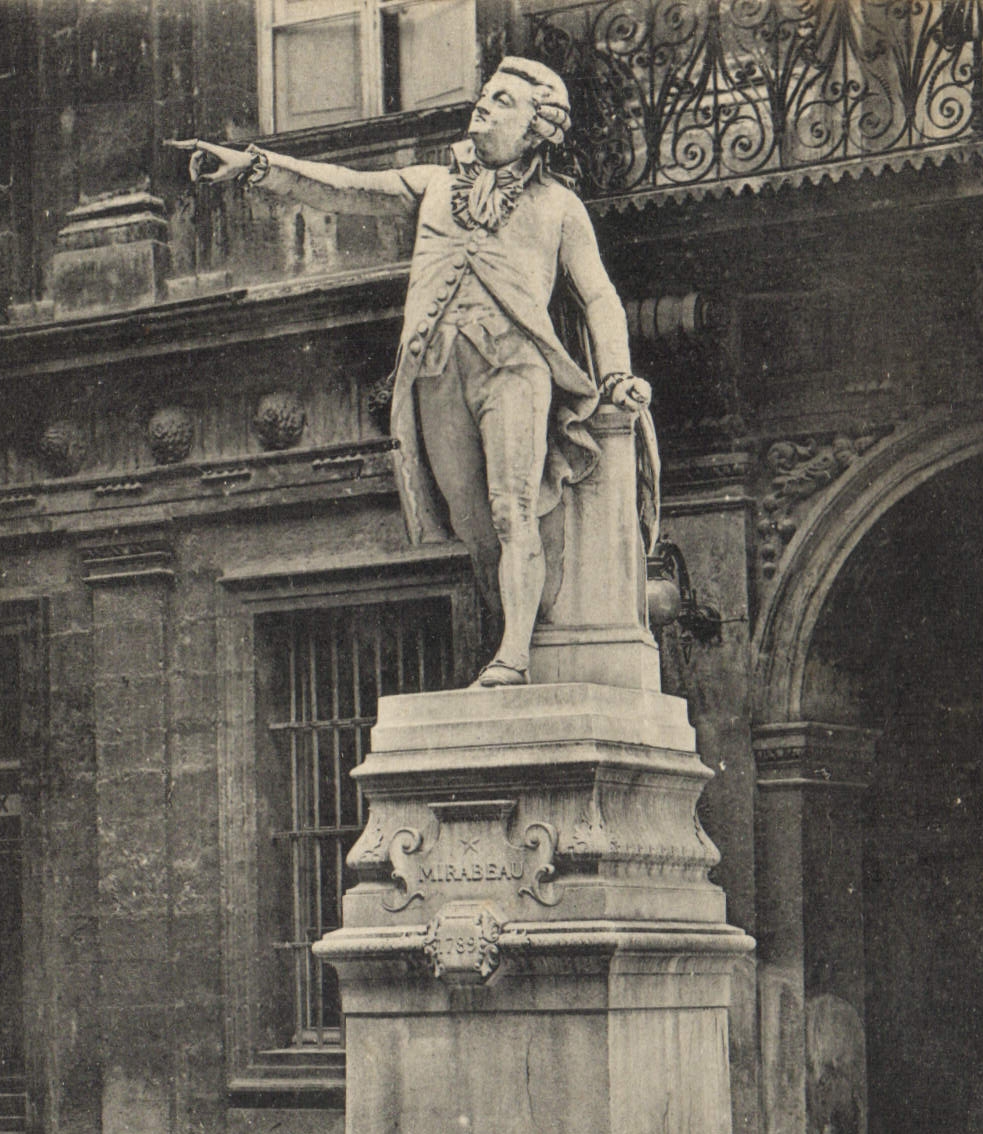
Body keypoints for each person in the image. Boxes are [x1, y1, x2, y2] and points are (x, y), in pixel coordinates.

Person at [172, 58, 651, 686]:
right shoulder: (432, 183)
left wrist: (615, 374)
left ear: (538, 129)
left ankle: (512, 653)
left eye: (502, 101)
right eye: (484, 95)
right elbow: (344, 188)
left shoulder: (559, 207)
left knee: (512, 510)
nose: (481, 106)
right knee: (470, 519)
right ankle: (519, 630)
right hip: (435, 370)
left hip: (515, 367)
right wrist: (258, 166)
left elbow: (599, 296)